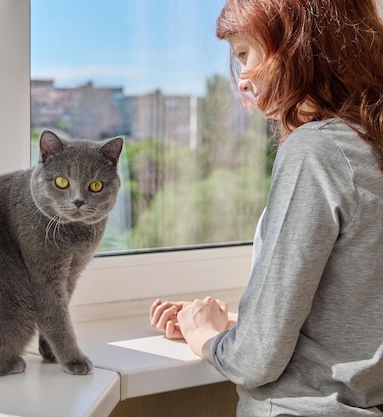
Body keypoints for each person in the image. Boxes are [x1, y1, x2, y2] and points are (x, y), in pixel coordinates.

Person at [150, 0, 383, 415]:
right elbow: (347, 318)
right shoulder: (370, 145)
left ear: (299, 44)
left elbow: (254, 360)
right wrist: (240, 325)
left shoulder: (317, 151)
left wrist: (206, 337)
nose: (241, 79)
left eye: (245, 54)